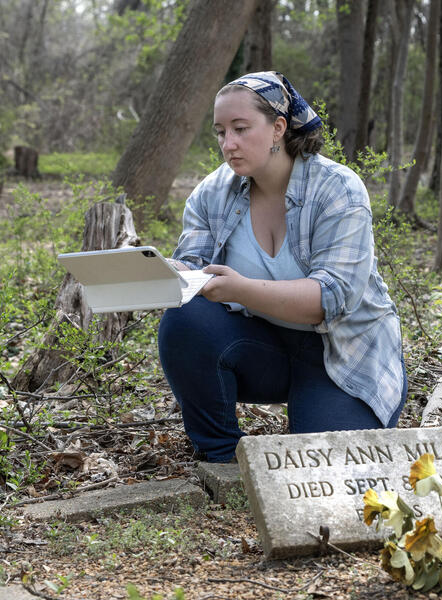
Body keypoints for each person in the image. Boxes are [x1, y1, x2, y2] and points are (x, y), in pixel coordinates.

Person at [158, 71, 406, 463]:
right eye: (220, 132)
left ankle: (321, 405)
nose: (229, 143)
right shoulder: (211, 192)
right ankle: (223, 455)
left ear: (277, 128)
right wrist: (160, 273)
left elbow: (331, 297)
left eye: (241, 128)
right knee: (185, 319)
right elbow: (192, 268)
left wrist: (241, 289)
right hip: (265, 346)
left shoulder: (337, 188)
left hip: (342, 354)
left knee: (325, 466)